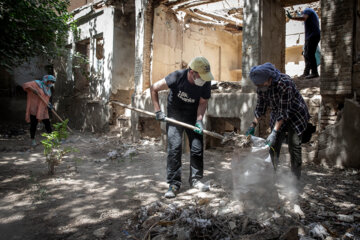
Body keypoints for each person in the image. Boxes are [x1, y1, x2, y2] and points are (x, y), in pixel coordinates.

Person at [150, 56, 213, 198]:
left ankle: (196, 179)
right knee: (175, 148)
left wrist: (199, 120)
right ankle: (174, 183)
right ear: (192, 72)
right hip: (175, 115)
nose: (203, 79)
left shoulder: (205, 82)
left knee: (197, 148)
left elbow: (203, 103)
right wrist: (158, 110)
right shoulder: (176, 77)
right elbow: (154, 88)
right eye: (201, 76)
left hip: (193, 116)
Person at [245, 63, 310, 180]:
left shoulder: (285, 83)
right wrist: (252, 125)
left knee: (294, 146)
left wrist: (274, 132)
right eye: (257, 85)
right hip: (278, 113)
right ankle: (270, 176)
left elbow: (284, 112)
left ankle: (295, 179)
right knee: (273, 146)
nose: (259, 87)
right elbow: (260, 108)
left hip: (295, 115)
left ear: (269, 79)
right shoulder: (262, 87)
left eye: (260, 84)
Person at [287, 8, 320, 79]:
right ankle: (306, 73)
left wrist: (292, 17)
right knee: (306, 54)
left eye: (300, 12)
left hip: (313, 36)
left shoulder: (307, 10)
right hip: (311, 36)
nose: (300, 13)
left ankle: (314, 73)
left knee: (309, 54)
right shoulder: (310, 14)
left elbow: (303, 18)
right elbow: (303, 17)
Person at [22, 75, 56, 146]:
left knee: (47, 124)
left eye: (52, 82)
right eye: (50, 81)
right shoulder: (36, 83)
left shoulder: (48, 88)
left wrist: (49, 105)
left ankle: (52, 138)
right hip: (34, 108)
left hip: (43, 109)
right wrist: (32, 89)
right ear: (46, 80)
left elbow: (46, 99)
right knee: (33, 125)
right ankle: (33, 140)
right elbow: (25, 85)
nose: (51, 83)